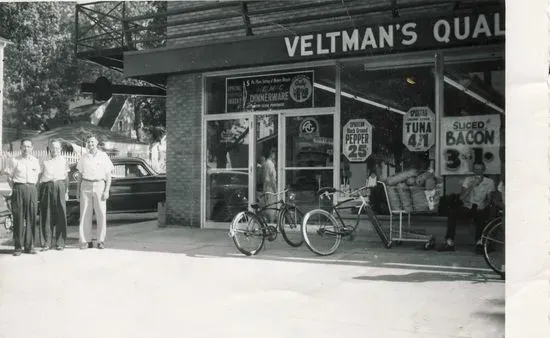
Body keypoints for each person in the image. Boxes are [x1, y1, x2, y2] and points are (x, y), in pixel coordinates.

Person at [438, 162, 495, 252]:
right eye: (476, 169)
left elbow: (489, 199)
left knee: (482, 216)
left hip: (480, 207)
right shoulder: (468, 180)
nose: (478, 172)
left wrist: (484, 206)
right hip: (467, 207)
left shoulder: (489, 182)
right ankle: (449, 242)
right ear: (473, 170)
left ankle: (479, 243)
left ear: (484, 170)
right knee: (452, 213)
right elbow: (461, 197)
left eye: (480, 170)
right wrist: (472, 186)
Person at [3, 139, 41, 256]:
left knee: (31, 217)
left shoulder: (35, 161)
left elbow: (38, 176)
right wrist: (15, 187)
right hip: (18, 189)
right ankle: (18, 247)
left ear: (32, 148)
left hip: (31, 189)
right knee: (18, 217)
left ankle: (29, 246)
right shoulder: (14, 160)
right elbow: (9, 176)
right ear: (20, 148)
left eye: (29, 146)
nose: (26, 149)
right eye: (24, 146)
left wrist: (32, 187)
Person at [76, 134, 114, 249]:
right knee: (85, 214)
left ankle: (100, 240)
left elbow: (109, 176)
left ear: (97, 143)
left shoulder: (103, 156)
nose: (90, 144)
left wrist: (106, 191)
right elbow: (80, 176)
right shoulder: (84, 157)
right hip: (86, 185)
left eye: (92, 142)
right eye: (88, 142)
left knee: (101, 214)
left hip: (99, 185)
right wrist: (78, 191)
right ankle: (85, 241)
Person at [38, 139, 69, 251]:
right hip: (47, 187)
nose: (54, 149)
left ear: (60, 149)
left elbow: (66, 178)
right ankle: (46, 242)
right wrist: (38, 192)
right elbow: (39, 177)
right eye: (52, 147)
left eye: (57, 147)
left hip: (60, 186)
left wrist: (66, 192)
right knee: (46, 215)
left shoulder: (64, 160)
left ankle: (60, 242)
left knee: (61, 215)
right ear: (49, 148)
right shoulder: (44, 160)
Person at [262, 149, 277, 223]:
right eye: (274, 153)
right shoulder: (270, 163)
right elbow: (271, 177)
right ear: (271, 154)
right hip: (270, 187)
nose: (275, 155)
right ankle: (271, 223)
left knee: (268, 205)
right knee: (272, 206)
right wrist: (275, 190)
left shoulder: (266, 163)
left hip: (267, 186)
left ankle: (269, 222)